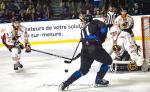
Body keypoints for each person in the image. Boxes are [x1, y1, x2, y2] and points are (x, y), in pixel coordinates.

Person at [59, 14, 112, 90]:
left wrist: (84, 52)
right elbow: (104, 29)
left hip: (85, 50)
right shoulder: (95, 22)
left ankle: (65, 83)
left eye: (83, 20)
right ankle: (98, 79)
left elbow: (86, 41)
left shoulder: (83, 29)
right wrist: (101, 37)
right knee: (108, 61)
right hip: (95, 49)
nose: (82, 21)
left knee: (83, 70)